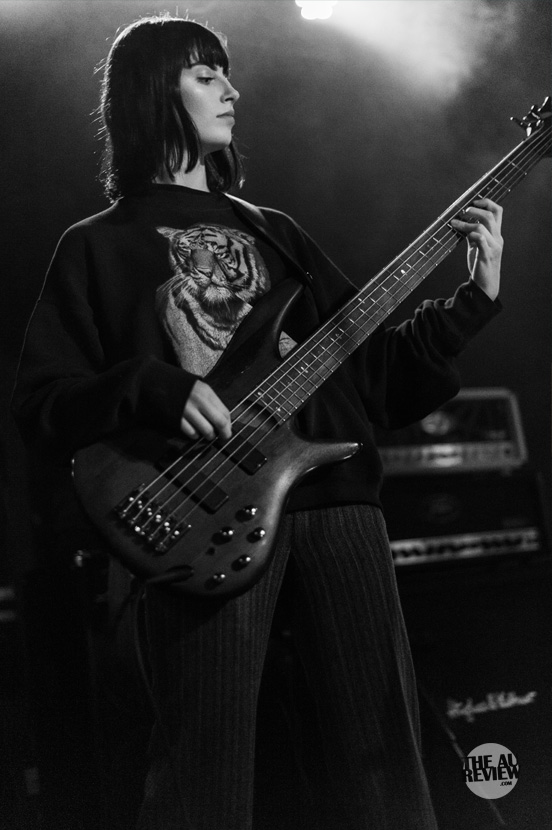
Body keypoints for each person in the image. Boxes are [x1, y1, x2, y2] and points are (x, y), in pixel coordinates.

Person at [11, 14, 504, 830]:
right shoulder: (95, 246)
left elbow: (372, 377)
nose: (232, 90)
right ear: (152, 90)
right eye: (206, 75)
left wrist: (471, 305)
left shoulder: (276, 233)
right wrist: (150, 387)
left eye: (227, 73)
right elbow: (41, 403)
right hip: (197, 513)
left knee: (383, 761)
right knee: (201, 776)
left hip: (336, 501)